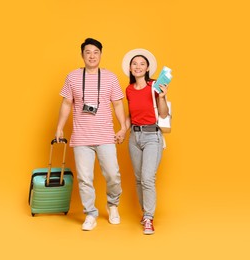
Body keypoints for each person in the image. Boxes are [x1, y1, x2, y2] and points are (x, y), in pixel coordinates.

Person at [55, 38, 127, 231]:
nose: (92, 56)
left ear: (101, 54)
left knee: (113, 174)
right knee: (85, 178)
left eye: (95, 52)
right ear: (82, 55)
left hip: (105, 136)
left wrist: (123, 127)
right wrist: (59, 127)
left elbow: (118, 103)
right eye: (88, 52)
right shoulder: (72, 77)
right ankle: (90, 214)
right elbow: (66, 103)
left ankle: (113, 205)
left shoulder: (111, 77)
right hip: (81, 137)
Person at [121, 49, 169, 235]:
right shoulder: (129, 89)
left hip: (152, 136)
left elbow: (163, 114)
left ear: (147, 67)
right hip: (134, 136)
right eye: (135, 64)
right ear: (130, 69)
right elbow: (131, 114)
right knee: (139, 179)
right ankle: (145, 213)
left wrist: (162, 97)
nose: (138, 66)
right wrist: (123, 131)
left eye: (142, 64)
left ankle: (148, 218)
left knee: (148, 178)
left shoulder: (155, 85)